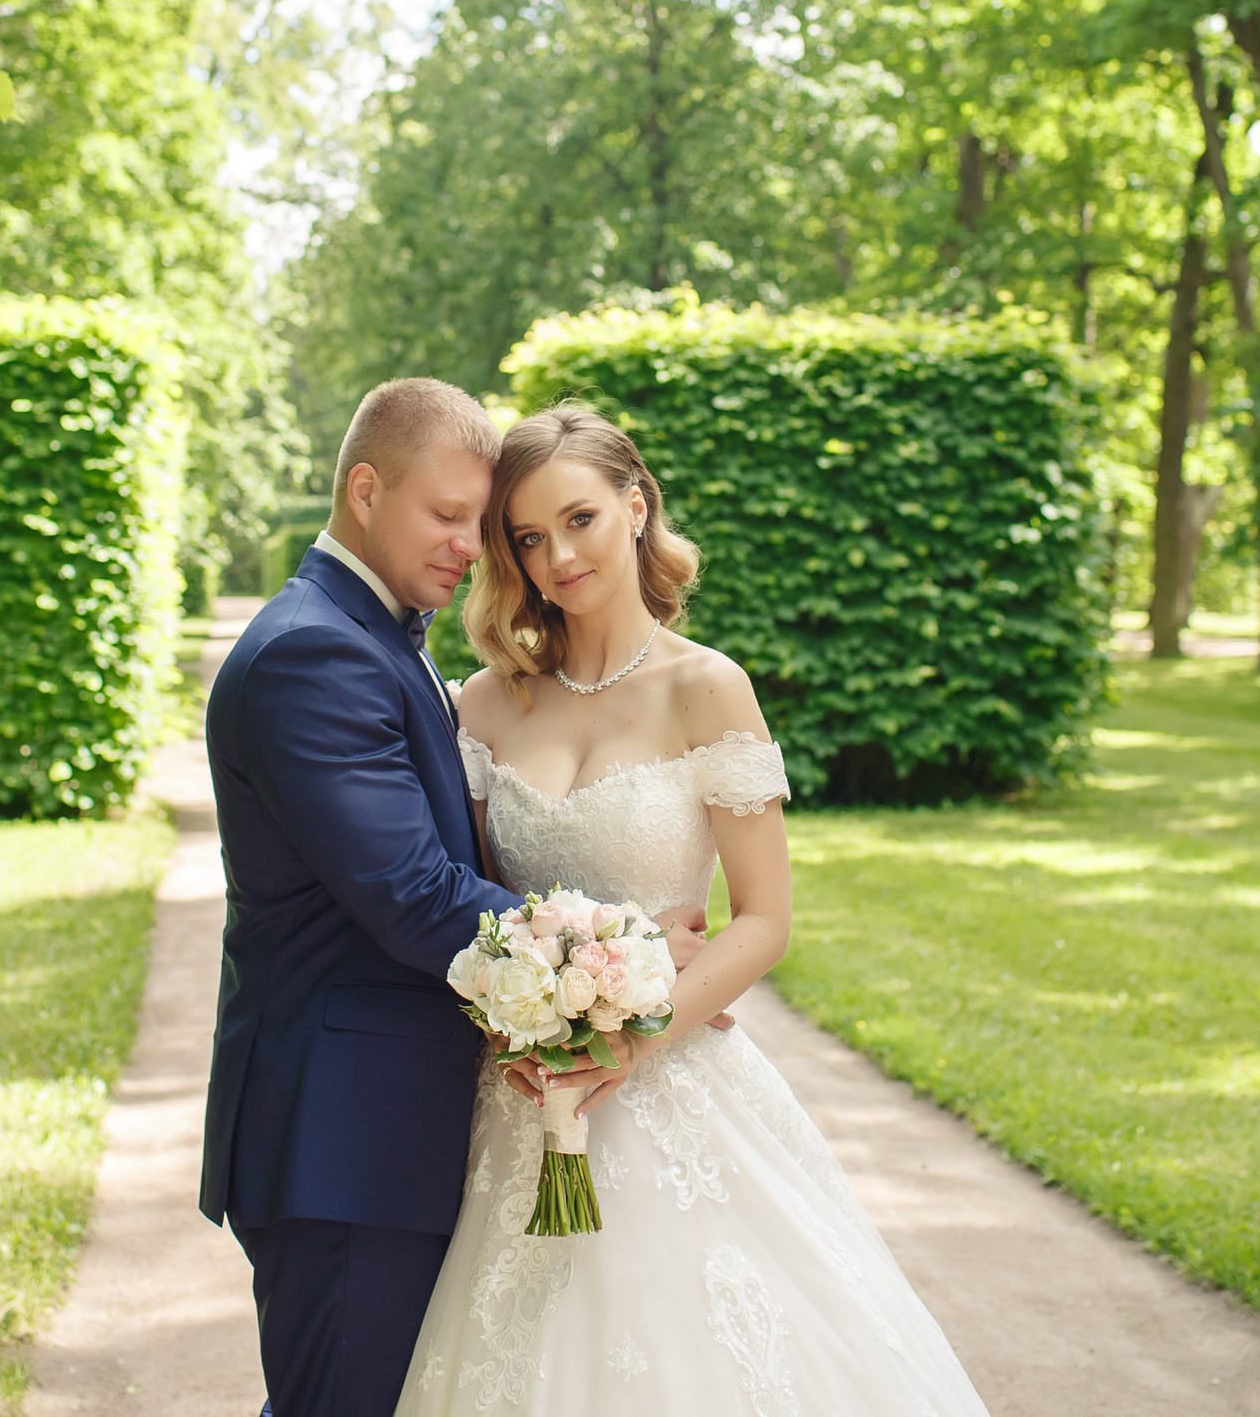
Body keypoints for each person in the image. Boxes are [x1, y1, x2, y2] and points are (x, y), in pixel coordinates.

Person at [397, 404, 990, 1415]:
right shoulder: (487, 703)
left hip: (666, 1082)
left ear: (636, 507)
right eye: (528, 539)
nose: (556, 559)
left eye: (578, 519)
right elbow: (474, 899)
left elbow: (762, 918)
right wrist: (534, 1000)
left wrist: (633, 1031)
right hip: (521, 1095)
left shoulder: (708, 690)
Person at [201, 379, 714, 1417]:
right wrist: (621, 959)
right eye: (446, 516)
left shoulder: (376, 634)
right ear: (362, 490)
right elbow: (413, 893)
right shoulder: (315, 653)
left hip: (386, 1126)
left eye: (482, 529)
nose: (472, 550)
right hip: (343, 1136)